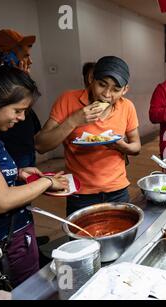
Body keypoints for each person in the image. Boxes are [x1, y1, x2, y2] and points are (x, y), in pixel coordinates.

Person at [35, 56, 141, 215]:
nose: (106, 94)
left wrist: (123, 147)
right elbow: (41, 145)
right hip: (80, 192)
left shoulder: (127, 107)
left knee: (121, 237)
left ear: (125, 90)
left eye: (115, 90)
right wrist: (74, 120)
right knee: (83, 238)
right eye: (102, 85)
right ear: (91, 79)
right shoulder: (68, 100)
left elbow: (136, 146)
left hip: (118, 190)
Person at [0, 66, 67, 287]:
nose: (22, 117)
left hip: (14, 238)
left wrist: (16, 173)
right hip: (4, 245)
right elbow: (2, 201)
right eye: (17, 110)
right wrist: (47, 181)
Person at [0, 29, 42, 169]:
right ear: (6, 55)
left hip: (25, 146)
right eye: (25, 56)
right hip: (13, 149)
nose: (30, 61)